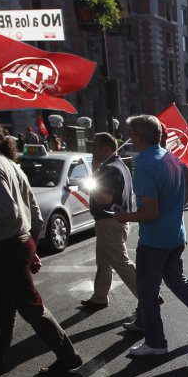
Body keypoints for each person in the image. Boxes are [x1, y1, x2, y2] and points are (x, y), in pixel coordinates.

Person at [0, 113, 82, 376]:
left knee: (31, 307)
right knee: (1, 306)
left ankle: (68, 355)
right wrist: (30, 246)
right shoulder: (10, 164)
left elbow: (7, 211)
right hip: (15, 244)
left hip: (5, 247)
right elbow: (35, 214)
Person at [115, 114, 188, 355]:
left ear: (138, 136)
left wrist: (123, 216)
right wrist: (177, 206)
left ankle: (156, 343)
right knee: (178, 282)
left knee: (148, 291)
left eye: (131, 133)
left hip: (155, 239)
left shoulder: (145, 164)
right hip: (175, 234)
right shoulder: (168, 155)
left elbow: (149, 212)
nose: (129, 137)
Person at [79, 132, 140, 310]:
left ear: (106, 148)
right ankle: (99, 297)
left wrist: (87, 188)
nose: (92, 149)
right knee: (104, 262)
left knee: (121, 263)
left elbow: (105, 198)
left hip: (109, 222)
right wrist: (95, 165)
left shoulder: (110, 169)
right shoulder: (119, 165)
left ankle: (147, 295)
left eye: (95, 146)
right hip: (115, 221)